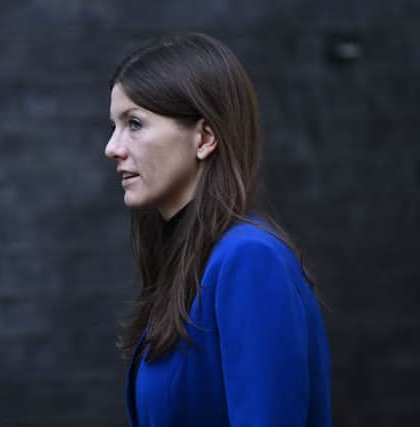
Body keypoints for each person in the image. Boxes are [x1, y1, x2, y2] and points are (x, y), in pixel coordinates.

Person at [104, 32, 331, 427]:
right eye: (115, 125)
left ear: (205, 138)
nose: (112, 147)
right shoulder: (193, 261)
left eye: (135, 123)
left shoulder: (249, 260)